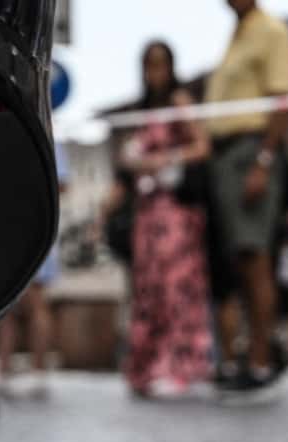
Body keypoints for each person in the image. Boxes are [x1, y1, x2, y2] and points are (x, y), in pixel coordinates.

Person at [205, 0, 288, 400]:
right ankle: (251, 354)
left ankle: (261, 359)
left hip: (250, 151)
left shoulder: (272, 31)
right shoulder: (237, 33)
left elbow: (280, 100)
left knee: (257, 258)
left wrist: (263, 160)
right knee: (242, 261)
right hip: (228, 156)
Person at [117, 41, 214, 399]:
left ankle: (178, 365)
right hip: (147, 214)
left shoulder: (179, 103)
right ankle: (145, 365)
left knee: (177, 288)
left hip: (175, 212)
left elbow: (202, 146)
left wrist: (167, 159)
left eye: (160, 65)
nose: (154, 73)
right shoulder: (141, 110)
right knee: (148, 289)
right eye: (148, 66)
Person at [0, 142, 66, 399]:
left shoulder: (49, 139)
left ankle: (37, 370)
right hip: (12, 228)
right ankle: (4, 370)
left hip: (33, 226)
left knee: (34, 302)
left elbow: (61, 184)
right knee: (7, 307)